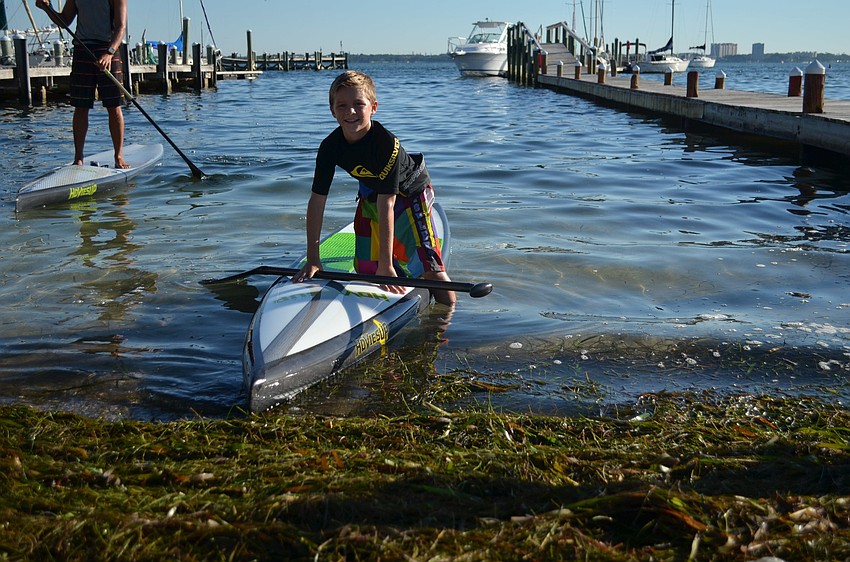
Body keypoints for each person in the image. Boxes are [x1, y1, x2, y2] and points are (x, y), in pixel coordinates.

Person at [293, 70, 456, 306]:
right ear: (332, 111)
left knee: (430, 269)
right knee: (367, 270)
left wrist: (386, 266)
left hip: (410, 195)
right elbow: (317, 201)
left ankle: (446, 320)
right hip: (371, 194)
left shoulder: (385, 143)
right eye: (342, 105)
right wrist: (313, 259)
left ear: (374, 107)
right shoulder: (329, 146)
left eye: (358, 104)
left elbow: (387, 204)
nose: (350, 111)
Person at [36, 0, 129, 169]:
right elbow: (64, 21)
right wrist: (46, 8)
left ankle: (119, 156)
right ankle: (78, 157)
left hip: (108, 49)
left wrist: (109, 53)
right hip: (82, 50)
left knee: (114, 106)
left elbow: (121, 27)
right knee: (80, 106)